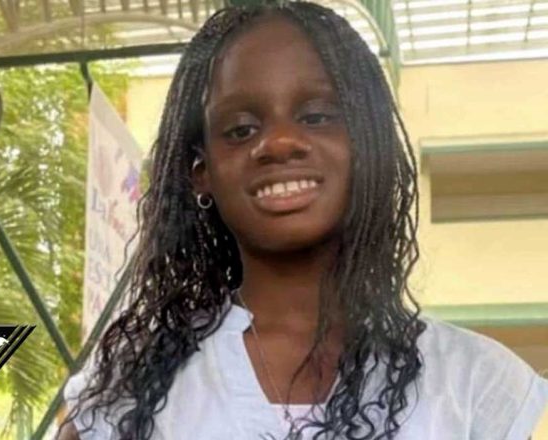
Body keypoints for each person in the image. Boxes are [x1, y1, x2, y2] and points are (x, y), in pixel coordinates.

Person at [56, 1, 548, 439]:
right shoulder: (127, 388)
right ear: (201, 172)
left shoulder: (474, 385)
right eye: (241, 129)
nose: (278, 143)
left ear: (366, 147)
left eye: (316, 116)